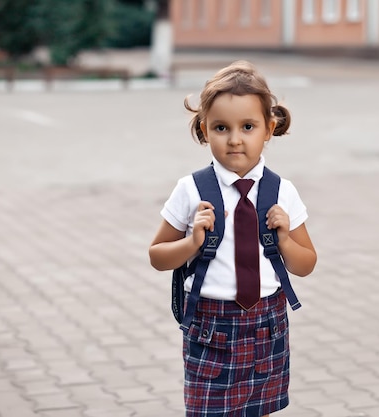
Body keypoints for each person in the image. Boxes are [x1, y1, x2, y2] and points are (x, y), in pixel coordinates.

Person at [149, 60, 317, 417]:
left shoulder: (281, 191)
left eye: (248, 126)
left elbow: (306, 265)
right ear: (204, 129)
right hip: (211, 325)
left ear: (269, 129)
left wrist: (285, 238)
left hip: (266, 324)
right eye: (221, 127)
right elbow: (158, 255)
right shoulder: (191, 189)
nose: (235, 139)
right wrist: (192, 242)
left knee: (260, 411)